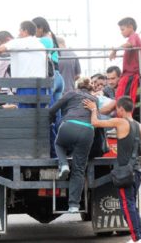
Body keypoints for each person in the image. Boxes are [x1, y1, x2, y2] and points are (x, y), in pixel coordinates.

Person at [83, 96, 141, 243]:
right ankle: (140, 237)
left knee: (127, 207)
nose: (116, 112)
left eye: (116, 109)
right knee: (131, 205)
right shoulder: (138, 125)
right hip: (136, 172)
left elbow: (95, 122)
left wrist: (94, 109)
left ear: (120, 108)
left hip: (125, 173)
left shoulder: (120, 122)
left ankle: (137, 239)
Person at [49, 79, 97, 213]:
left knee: (59, 144)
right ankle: (74, 205)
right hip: (88, 130)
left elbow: (52, 109)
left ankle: (63, 164)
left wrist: (51, 119)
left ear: (77, 86)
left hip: (69, 125)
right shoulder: (94, 100)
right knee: (79, 170)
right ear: (90, 88)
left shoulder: (71, 94)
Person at [109, 17, 141, 105]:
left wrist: (116, 50)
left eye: (122, 29)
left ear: (130, 27)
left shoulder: (134, 36)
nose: (121, 32)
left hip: (131, 74)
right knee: (120, 96)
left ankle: (123, 117)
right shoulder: (133, 38)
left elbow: (130, 44)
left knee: (123, 100)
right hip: (128, 75)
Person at [32, 17, 64, 103]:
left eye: (34, 30)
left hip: (52, 76)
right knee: (57, 109)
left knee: (47, 108)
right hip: (58, 76)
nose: (33, 33)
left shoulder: (45, 40)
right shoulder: (51, 38)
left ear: (41, 28)